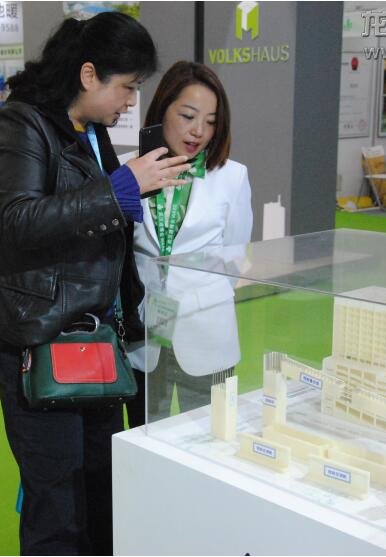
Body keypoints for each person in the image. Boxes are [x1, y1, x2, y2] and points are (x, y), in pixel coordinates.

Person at [0, 12, 190, 555]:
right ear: (88, 74)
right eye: (127, 87)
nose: (130, 102)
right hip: (42, 337)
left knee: (100, 483)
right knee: (56, 499)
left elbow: (93, 223)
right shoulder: (22, 125)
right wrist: (120, 189)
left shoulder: (89, 132)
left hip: (96, 337)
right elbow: (19, 221)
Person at [123, 61, 253, 428]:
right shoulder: (127, 170)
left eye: (211, 121)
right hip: (144, 336)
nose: (199, 131)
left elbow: (234, 257)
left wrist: (197, 295)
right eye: (188, 116)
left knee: (210, 442)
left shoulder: (232, 176)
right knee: (145, 440)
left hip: (207, 331)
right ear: (162, 109)